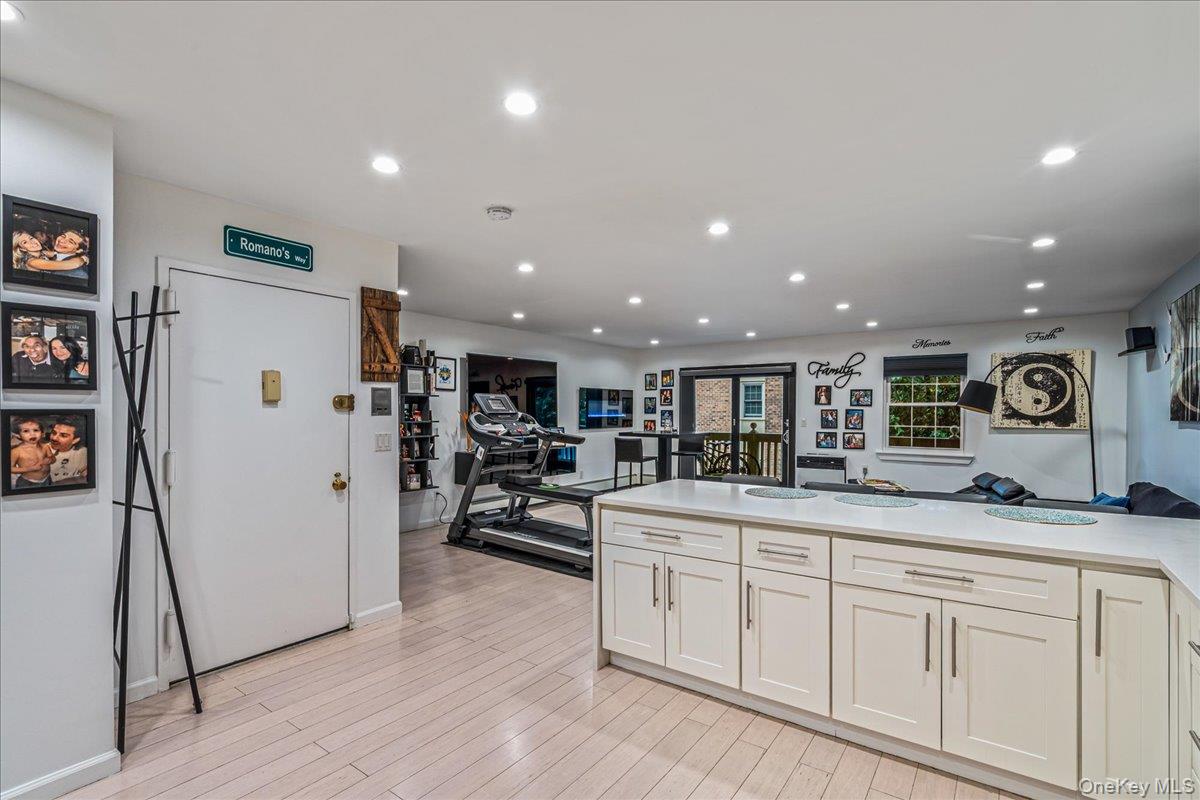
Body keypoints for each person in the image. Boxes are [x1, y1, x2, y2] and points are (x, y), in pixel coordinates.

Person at [23, 229, 90, 279]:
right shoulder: (32, 259)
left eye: (70, 242)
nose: (62, 240)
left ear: (78, 250)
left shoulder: (76, 273)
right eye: (63, 236)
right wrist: (82, 259)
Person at [9, 418, 54, 489]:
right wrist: (29, 469)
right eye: (26, 431)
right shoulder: (16, 451)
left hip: (47, 479)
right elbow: (10, 469)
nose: (32, 434)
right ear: (18, 435)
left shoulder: (45, 446)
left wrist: (50, 459)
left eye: (36, 430)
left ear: (42, 433)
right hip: (28, 482)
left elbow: (53, 458)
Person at [47, 419, 87, 486]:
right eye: (53, 433)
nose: (54, 438)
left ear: (75, 440)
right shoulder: (41, 450)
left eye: (63, 435)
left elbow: (86, 478)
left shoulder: (82, 452)